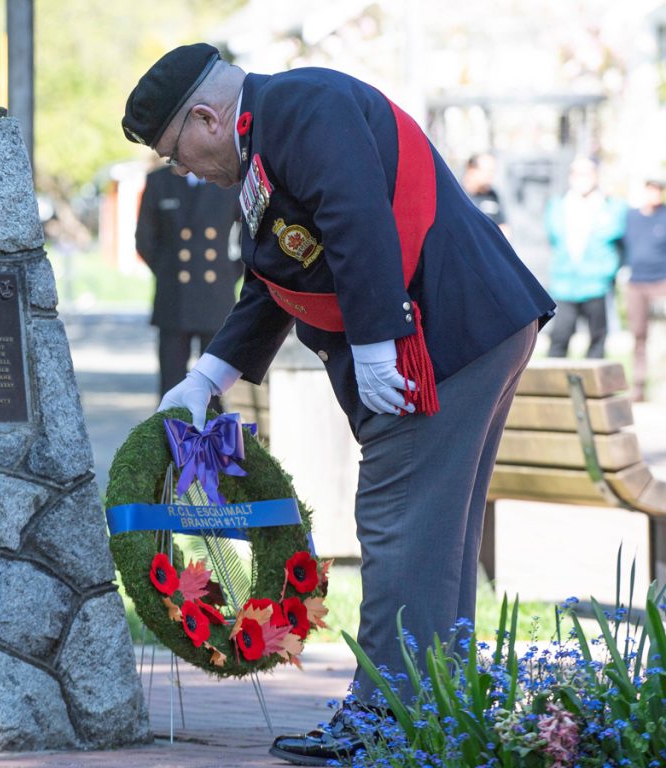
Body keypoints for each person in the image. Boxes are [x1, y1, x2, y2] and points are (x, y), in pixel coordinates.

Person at [122, 43, 555, 766]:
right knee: (434, 538)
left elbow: (356, 217)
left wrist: (381, 342)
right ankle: (435, 713)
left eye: (176, 153)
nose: (183, 170)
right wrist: (207, 378)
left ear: (203, 117)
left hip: (441, 336)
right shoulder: (271, 139)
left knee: (399, 524)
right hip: (470, 325)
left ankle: (383, 721)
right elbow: (275, 278)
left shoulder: (301, 108)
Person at [135, 166, 243, 407]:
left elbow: (250, 230)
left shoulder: (229, 180)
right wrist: (167, 271)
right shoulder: (159, 181)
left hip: (216, 297)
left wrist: (231, 271)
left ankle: (213, 442)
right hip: (174, 297)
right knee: (171, 384)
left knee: (214, 386)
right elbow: (144, 239)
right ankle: (170, 441)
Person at [544, 156, 627, 359]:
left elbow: (620, 243)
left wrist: (608, 271)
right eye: (577, 173)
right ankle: (552, 389)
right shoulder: (558, 205)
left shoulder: (611, 206)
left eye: (586, 173)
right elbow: (554, 239)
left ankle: (591, 390)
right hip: (565, 284)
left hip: (596, 284)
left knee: (598, 339)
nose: (581, 178)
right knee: (559, 337)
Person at [623, 178, 666, 401]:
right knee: (639, 336)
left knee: (661, 337)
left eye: (658, 190)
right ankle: (639, 386)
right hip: (636, 282)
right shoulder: (631, 217)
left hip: (661, 282)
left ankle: (661, 385)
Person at [462, 151, 510, 237]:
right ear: (471, 170)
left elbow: (503, 227)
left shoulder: (492, 195)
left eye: (493, 171)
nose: (491, 175)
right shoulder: (459, 195)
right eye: (487, 171)